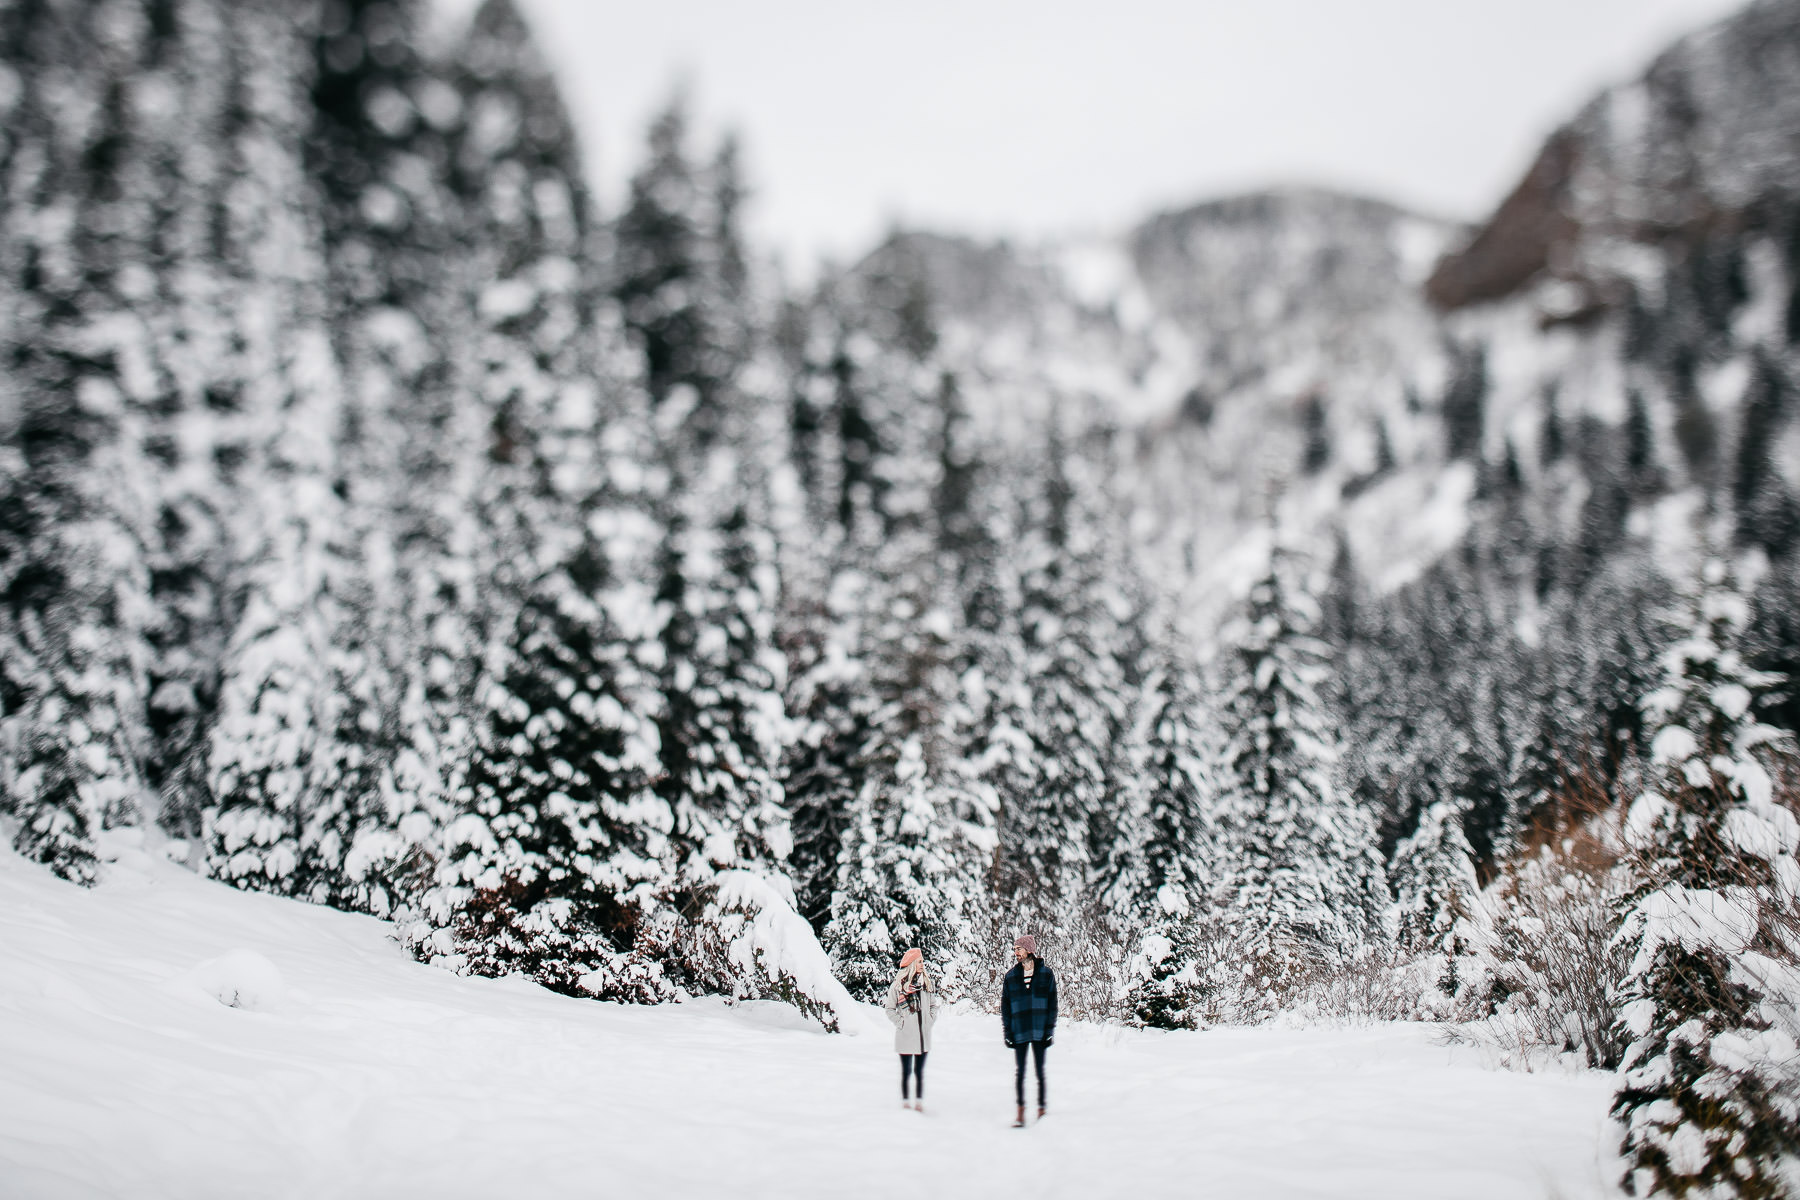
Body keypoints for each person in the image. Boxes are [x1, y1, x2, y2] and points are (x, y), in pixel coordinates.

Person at [1000, 934, 1057, 1127]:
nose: (1015, 953)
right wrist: (1007, 1032)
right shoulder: (1010, 977)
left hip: (1040, 1029)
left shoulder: (1046, 974)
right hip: (1019, 1030)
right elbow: (1005, 1007)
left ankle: (1041, 1109)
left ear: (1029, 950)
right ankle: (1020, 1112)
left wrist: (1050, 1029)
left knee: (1040, 1071)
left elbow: (1052, 1004)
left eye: (1019, 949)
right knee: (1021, 1072)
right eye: (1014, 949)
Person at [883, 947, 939, 1112]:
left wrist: (930, 1019)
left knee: (919, 1071)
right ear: (913, 963)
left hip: (923, 1036)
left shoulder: (926, 983)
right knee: (907, 1071)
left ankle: (919, 1102)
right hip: (906, 1036)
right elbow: (889, 1009)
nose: (922, 964)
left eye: (922, 961)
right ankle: (906, 1102)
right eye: (920, 961)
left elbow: (933, 1005)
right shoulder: (898, 986)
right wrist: (902, 1023)